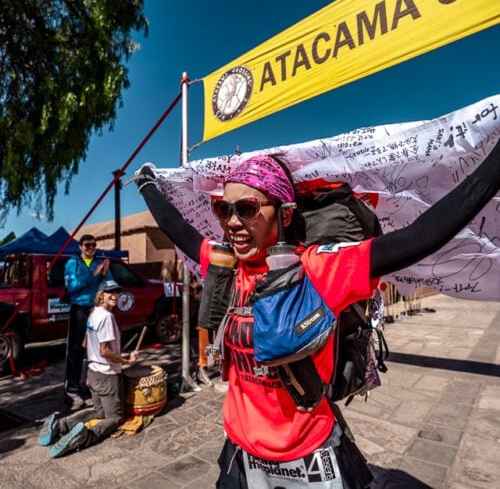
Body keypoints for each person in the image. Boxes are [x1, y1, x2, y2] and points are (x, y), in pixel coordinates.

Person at [136, 138, 499, 488]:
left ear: (286, 213)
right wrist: (147, 185)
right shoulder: (225, 265)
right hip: (240, 450)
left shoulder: (319, 270)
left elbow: (423, 236)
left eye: (246, 208)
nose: (231, 221)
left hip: (308, 454)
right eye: (223, 209)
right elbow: (177, 228)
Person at [37, 280, 138, 458]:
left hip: (92, 373)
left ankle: (59, 425)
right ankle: (84, 437)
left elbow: (85, 342)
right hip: (107, 375)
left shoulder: (93, 314)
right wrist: (125, 359)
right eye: (109, 292)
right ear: (101, 295)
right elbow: (105, 351)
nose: (114, 295)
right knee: (114, 418)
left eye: (116, 292)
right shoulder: (107, 317)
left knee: (99, 412)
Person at [63, 234, 113, 409]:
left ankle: (91, 385)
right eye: (87, 245)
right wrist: (94, 274)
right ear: (80, 246)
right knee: (75, 350)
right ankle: (71, 391)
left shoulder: (99, 262)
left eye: (94, 245)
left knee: (95, 350)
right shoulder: (73, 263)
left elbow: (109, 284)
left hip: (96, 310)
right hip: (79, 309)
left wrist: (105, 273)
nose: (91, 248)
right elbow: (72, 286)